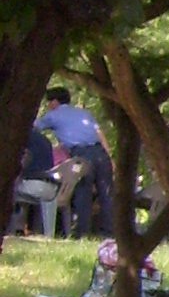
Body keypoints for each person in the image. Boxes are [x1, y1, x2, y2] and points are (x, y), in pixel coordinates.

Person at [40, 85, 115, 236]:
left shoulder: (52, 116)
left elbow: (32, 129)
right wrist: (110, 157)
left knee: (83, 190)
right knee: (106, 193)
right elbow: (99, 133)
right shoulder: (84, 114)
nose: (48, 105)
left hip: (81, 154)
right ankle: (109, 232)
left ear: (54, 102)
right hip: (100, 153)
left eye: (48, 102)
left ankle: (82, 232)